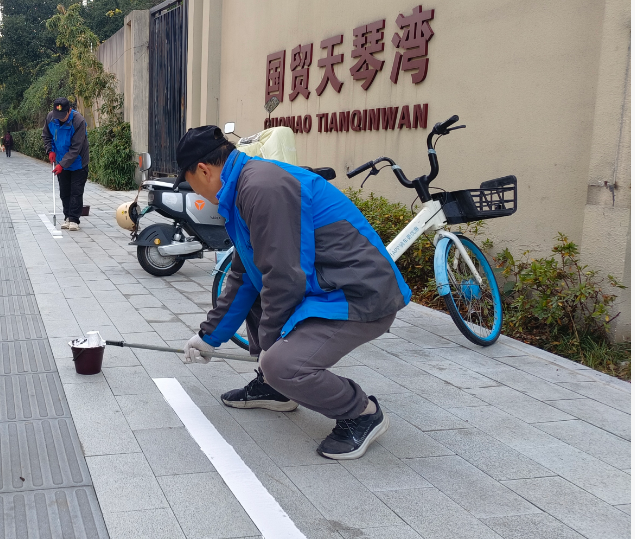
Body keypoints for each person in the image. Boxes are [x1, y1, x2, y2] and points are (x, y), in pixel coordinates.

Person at [178, 126, 411, 460]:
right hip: (324, 287)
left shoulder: (262, 187)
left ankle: (362, 412)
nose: (195, 190)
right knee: (257, 302)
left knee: (282, 365)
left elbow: (285, 277)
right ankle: (276, 389)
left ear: (203, 170)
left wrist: (272, 354)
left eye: (190, 182)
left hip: (359, 293)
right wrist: (208, 337)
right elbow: (245, 276)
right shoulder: (243, 187)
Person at [42, 98, 90, 231]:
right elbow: (46, 136)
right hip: (61, 161)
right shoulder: (51, 118)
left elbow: (76, 148)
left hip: (78, 162)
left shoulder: (78, 121)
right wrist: (50, 150)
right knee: (64, 191)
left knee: (76, 191)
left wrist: (62, 164)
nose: (60, 118)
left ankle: (74, 219)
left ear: (69, 110)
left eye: (63, 115)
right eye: (58, 115)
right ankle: (67, 217)